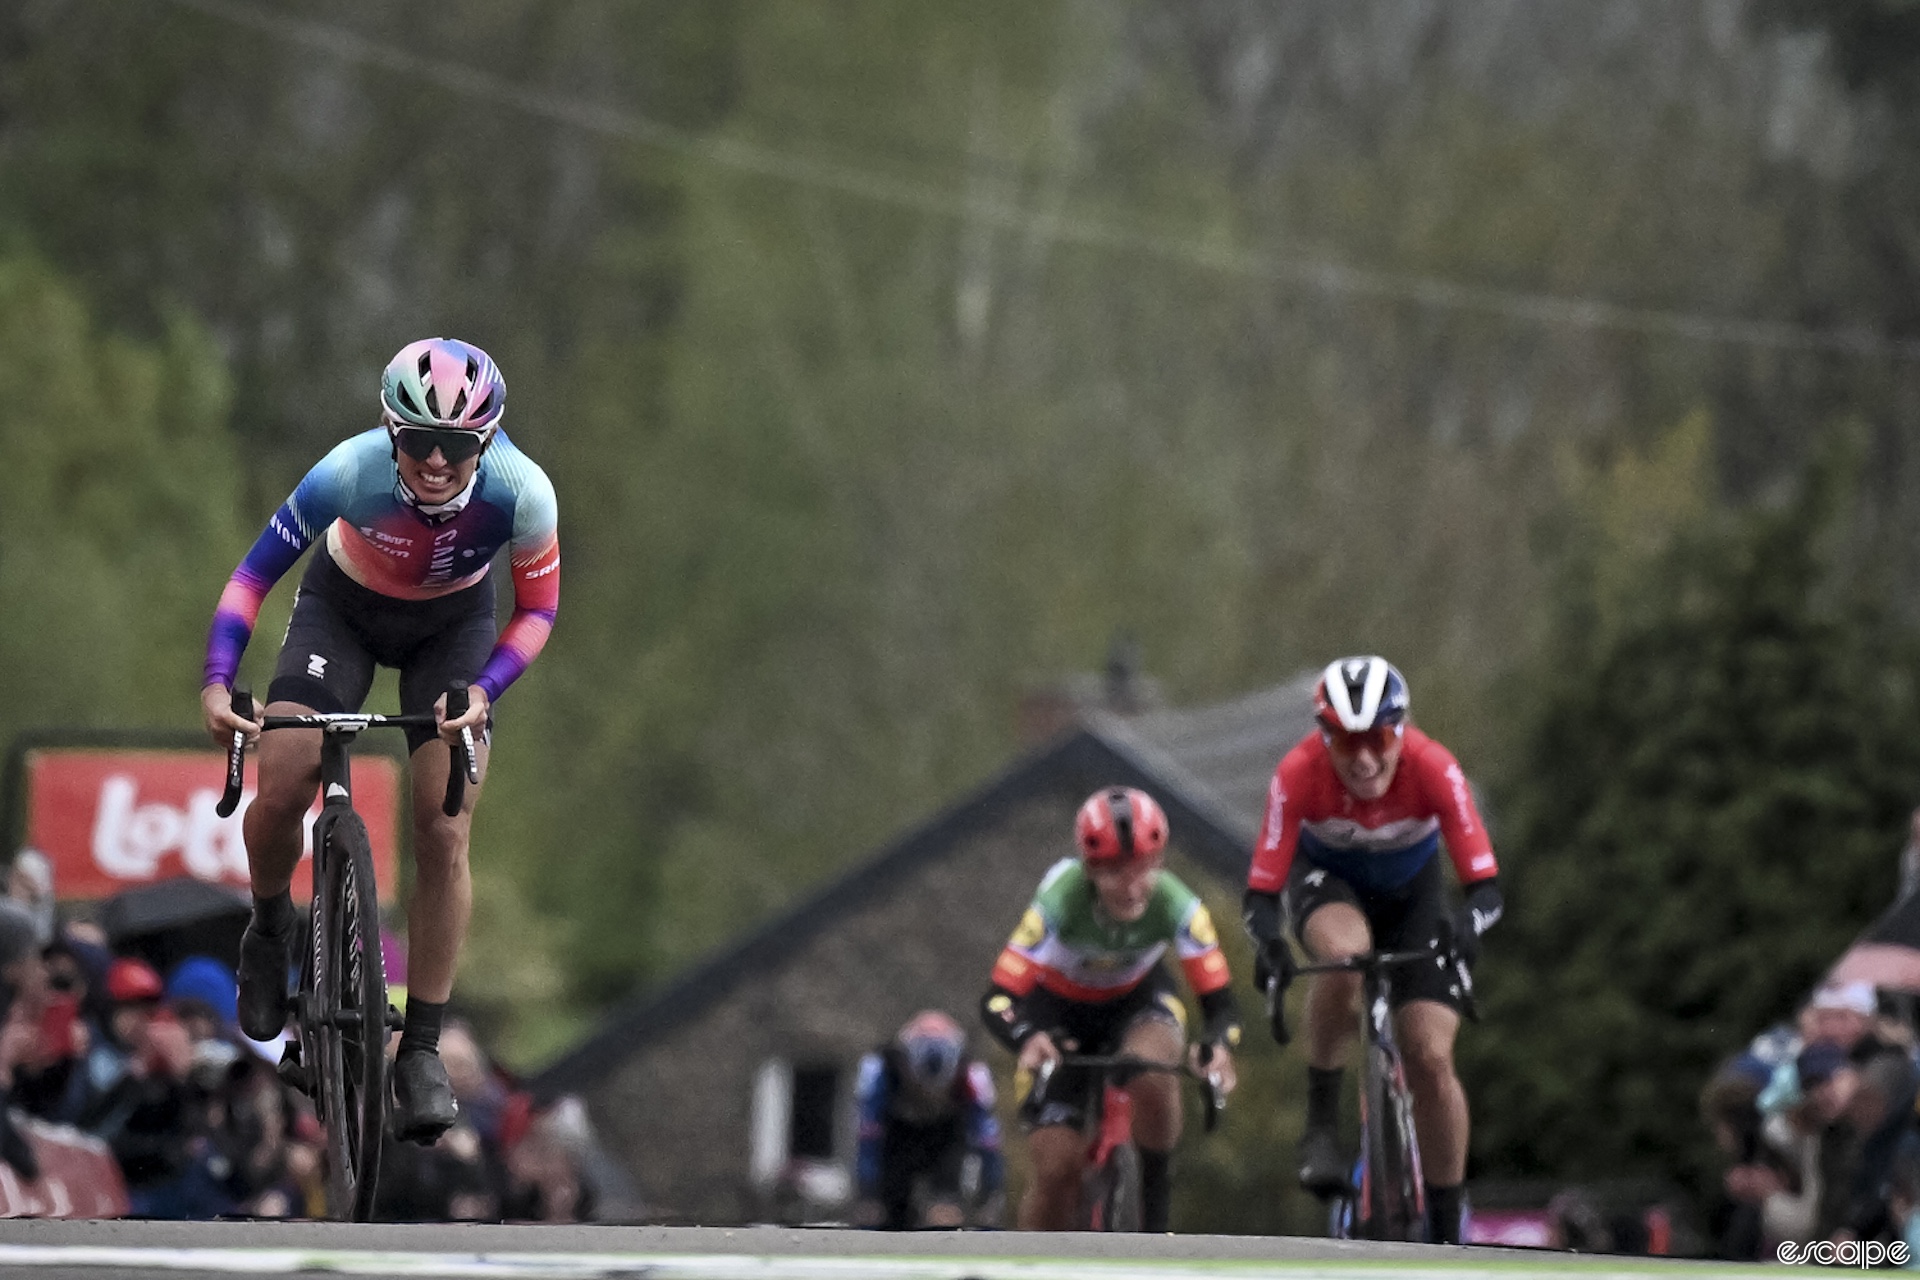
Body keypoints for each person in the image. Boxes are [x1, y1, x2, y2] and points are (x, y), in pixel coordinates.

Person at [199, 337, 560, 1143]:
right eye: (419, 440)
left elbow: (538, 611)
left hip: (454, 631)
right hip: (344, 612)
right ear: (390, 432)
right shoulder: (348, 472)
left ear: (488, 441)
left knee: (444, 825)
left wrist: (486, 688)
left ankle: (422, 1045)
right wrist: (219, 680)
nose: (436, 461)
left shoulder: (523, 493)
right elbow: (251, 577)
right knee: (285, 773)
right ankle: (268, 928)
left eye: (458, 444)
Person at [1241, 656, 1501, 1244]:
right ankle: (1321, 1127)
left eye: (1379, 738)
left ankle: (1444, 1229)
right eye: (1347, 741)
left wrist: (1468, 925)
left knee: (1431, 1058)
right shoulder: (1297, 772)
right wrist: (1271, 944)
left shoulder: (1434, 767)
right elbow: (1260, 892)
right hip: (1330, 886)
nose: (1363, 759)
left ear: (1401, 731)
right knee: (1345, 955)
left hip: (1415, 897)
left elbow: (1485, 888)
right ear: (1324, 736)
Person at [980, 786, 1240, 1232]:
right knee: (1057, 1171)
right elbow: (998, 998)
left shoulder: (1179, 906)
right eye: (1116, 872)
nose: (1134, 887)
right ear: (1090, 869)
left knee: (1154, 1067)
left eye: (1145, 868)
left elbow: (1221, 1005)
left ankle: (1155, 1216)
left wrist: (1217, 1045)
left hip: (1135, 1001)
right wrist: (1027, 1036)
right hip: (1058, 1013)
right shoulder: (1058, 901)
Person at [853, 1010, 1003, 1230]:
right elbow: (868, 1134)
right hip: (896, 1139)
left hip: (947, 1137)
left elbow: (987, 1139)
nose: (928, 1091)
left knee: (945, 1212)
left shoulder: (973, 1073)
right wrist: (868, 1193)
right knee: (885, 1215)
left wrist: (990, 1194)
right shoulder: (879, 1069)